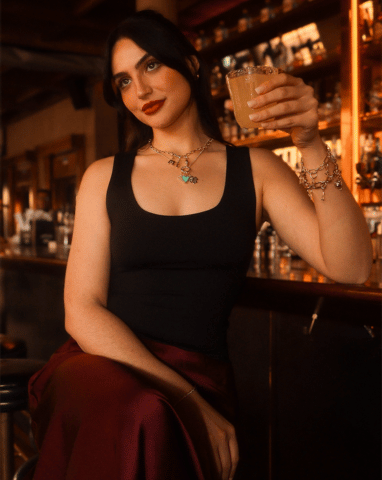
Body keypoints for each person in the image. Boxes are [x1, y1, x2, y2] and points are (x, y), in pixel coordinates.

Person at [28, 9, 372, 480]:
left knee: (148, 413)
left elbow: (352, 268)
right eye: (123, 81)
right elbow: (81, 311)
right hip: (104, 365)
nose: (140, 91)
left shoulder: (258, 169)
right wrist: (184, 399)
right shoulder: (104, 176)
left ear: (190, 63)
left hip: (201, 372)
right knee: (143, 412)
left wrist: (310, 142)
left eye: (150, 65)